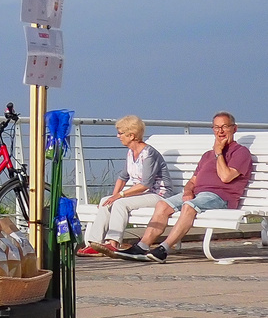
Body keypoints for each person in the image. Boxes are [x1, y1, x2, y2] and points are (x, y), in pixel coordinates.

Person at [119, 112, 253, 262]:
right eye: (216, 127)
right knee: (162, 205)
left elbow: (225, 177)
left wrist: (219, 153)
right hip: (197, 194)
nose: (220, 131)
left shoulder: (240, 153)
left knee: (189, 206)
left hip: (220, 197)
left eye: (225, 127)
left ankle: (163, 249)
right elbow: (193, 180)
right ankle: (142, 246)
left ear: (234, 129)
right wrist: (188, 191)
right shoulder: (207, 155)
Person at [82, 115, 171, 256]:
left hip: (159, 195)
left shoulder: (149, 154)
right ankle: (95, 243)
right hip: (144, 194)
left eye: (121, 133)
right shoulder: (131, 152)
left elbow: (146, 184)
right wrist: (113, 195)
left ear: (132, 135)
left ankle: (113, 243)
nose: (118, 136)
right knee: (106, 201)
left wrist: (120, 195)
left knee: (120, 204)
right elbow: (123, 177)